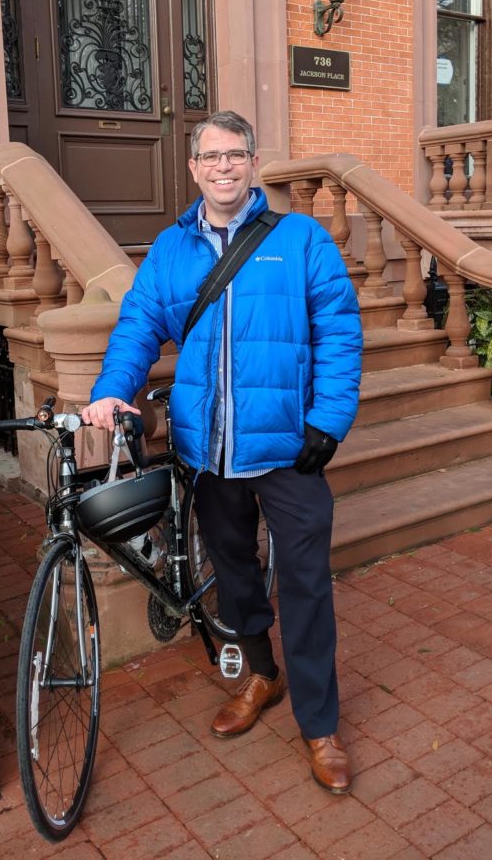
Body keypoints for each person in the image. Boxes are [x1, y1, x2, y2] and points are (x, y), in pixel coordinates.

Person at [81, 111, 362, 794]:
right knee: (235, 576)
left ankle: (320, 724)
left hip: (288, 448)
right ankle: (260, 675)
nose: (224, 167)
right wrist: (113, 388)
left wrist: (328, 420)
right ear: (194, 168)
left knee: (306, 586)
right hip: (208, 451)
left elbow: (338, 329)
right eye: (211, 157)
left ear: (253, 163)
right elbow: (139, 324)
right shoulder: (171, 249)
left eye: (235, 155)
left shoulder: (300, 238)